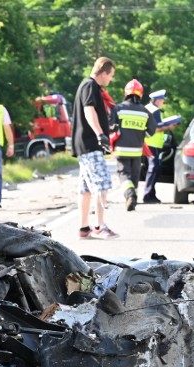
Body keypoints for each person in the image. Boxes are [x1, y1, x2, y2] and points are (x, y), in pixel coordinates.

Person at [72, 56, 119, 239]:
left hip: (84, 143)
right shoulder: (91, 86)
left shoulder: (85, 85)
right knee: (101, 184)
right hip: (91, 143)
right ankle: (100, 226)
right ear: (103, 72)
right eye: (111, 75)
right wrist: (100, 134)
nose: (111, 79)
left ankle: (84, 228)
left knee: (85, 189)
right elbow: (88, 110)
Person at [110, 79, 156, 212]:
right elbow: (151, 131)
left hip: (121, 150)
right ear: (140, 94)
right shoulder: (144, 111)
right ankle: (133, 198)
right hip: (137, 151)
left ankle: (130, 195)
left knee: (124, 175)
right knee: (135, 176)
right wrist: (140, 135)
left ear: (126, 93)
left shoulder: (118, 108)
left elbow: (111, 127)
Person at [142, 89, 178, 204]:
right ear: (157, 100)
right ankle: (148, 195)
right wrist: (169, 127)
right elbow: (156, 128)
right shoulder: (155, 111)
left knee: (151, 169)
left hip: (146, 143)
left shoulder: (147, 108)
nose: (163, 102)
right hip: (152, 144)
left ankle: (151, 194)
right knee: (154, 169)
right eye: (162, 100)